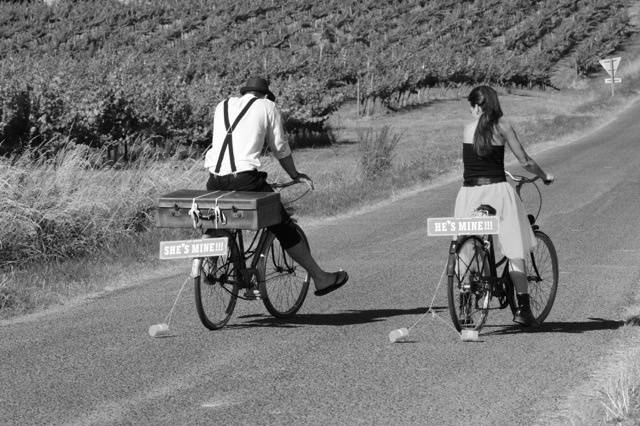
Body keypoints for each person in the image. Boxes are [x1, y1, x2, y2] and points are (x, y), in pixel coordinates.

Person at [204, 76, 349, 296]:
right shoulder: (267, 106)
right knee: (282, 225)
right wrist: (295, 174)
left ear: (244, 92)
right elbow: (279, 147)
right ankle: (321, 278)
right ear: (265, 94)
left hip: (214, 178)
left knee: (219, 219)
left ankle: (211, 266)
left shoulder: (222, 105)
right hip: (245, 179)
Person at [454, 85, 554, 327]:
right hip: (498, 192)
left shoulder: (468, 129)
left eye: (471, 107)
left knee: (467, 247)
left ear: (477, 107)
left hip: (469, 194)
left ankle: (466, 307)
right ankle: (522, 309)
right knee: (514, 248)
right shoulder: (503, 126)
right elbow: (526, 161)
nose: (470, 111)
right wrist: (544, 175)